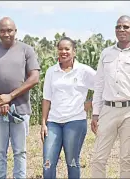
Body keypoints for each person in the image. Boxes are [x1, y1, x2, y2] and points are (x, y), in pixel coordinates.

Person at [90, 15, 130, 178]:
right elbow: (99, 85)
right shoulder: (106, 54)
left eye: (125, 27)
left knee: (126, 159)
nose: (121, 30)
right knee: (98, 158)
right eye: (118, 26)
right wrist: (95, 113)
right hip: (108, 109)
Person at [0, 17, 40, 178]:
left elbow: (34, 78)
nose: (6, 34)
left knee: (20, 151)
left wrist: (10, 96)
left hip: (20, 110)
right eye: (2, 30)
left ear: (16, 31)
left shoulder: (26, 50)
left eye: (9, 30)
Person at [40, 37, 96, 178]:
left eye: (67, 49)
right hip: (54, 122)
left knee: (72, 162)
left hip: (75, 121)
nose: (63, 52)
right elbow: (47, 98)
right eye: (60, 49)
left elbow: (103, 87)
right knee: (48, 163)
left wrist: (90, 104)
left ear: (74, 51)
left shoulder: (83, 70)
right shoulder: (51, 72)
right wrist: (43, 123)